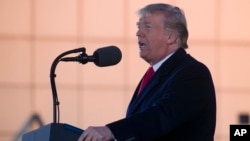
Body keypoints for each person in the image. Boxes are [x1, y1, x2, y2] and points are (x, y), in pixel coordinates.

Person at [78, 3, 216, 141]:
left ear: (171, 37)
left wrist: (112, 131)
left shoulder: (193, 73)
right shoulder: (154, 74)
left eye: (148, 27)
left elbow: (160, 116)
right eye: (139, 27)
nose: (139, 33)